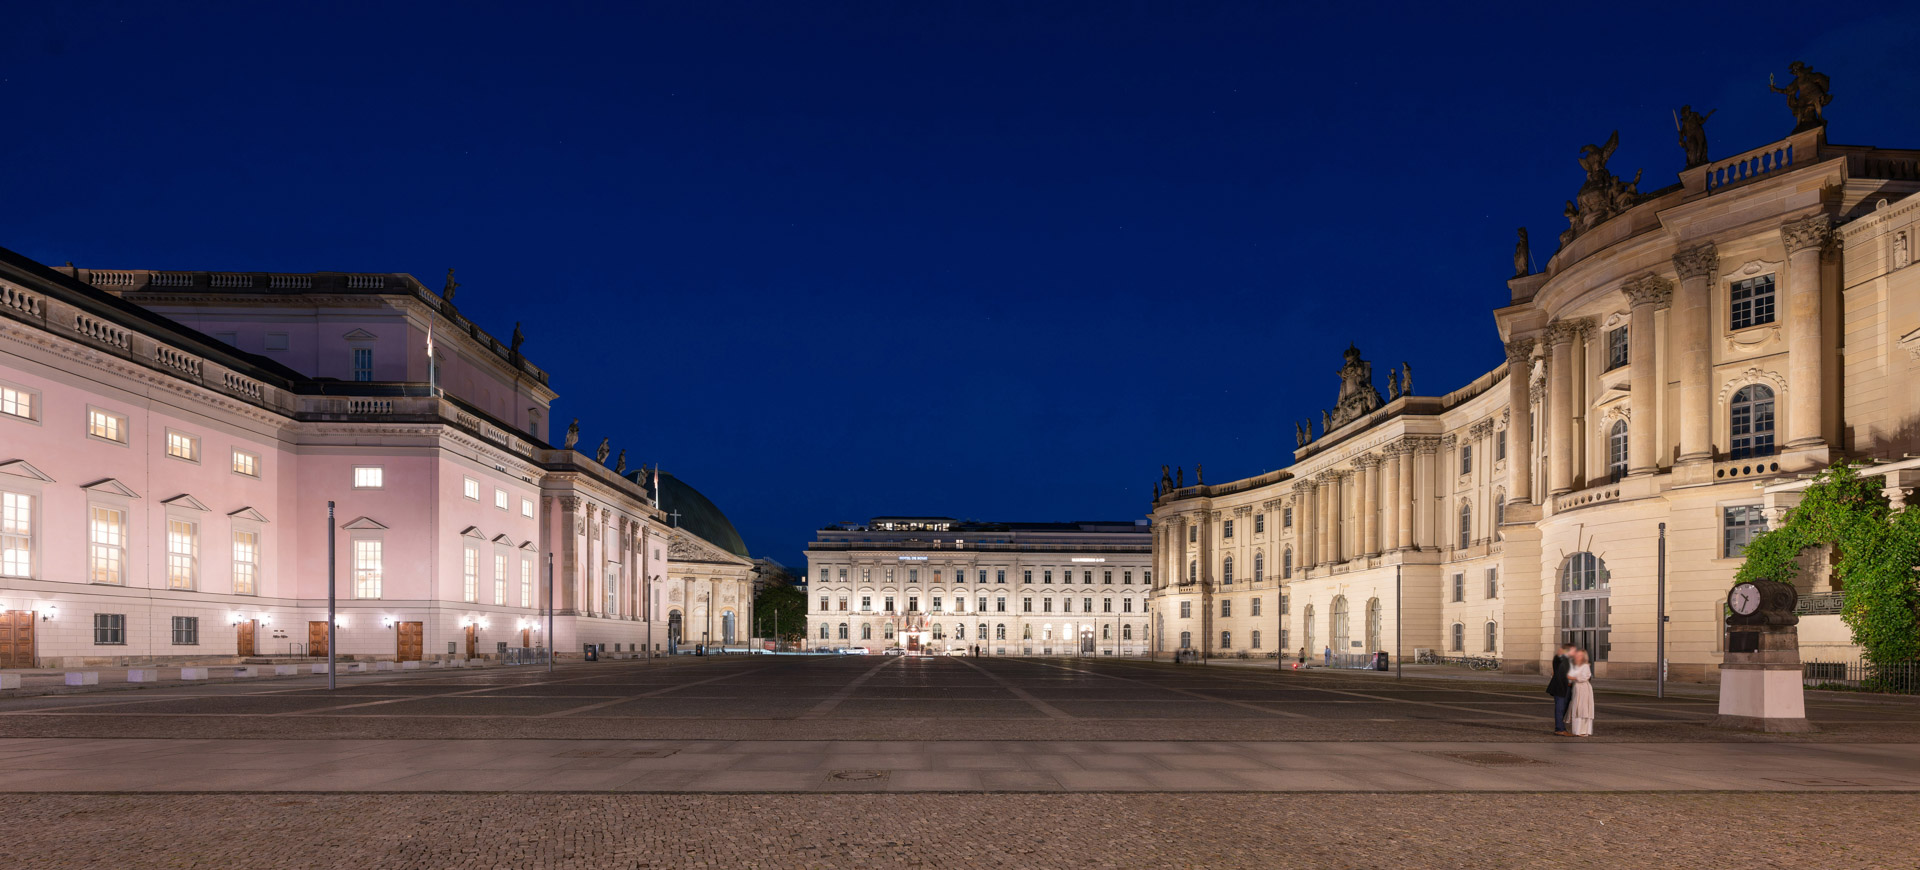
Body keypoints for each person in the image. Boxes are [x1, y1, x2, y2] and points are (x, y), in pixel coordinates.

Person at [1546, 643, 1574, 736]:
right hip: (1561, 687)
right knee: (1560, 708)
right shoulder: (1562, 659)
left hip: (1566, 687)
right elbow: (1557, 663)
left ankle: (1560, 728)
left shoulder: (1568, 660)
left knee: (1563, 708)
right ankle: (1560, 729)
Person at [1568, 649, 1595, 737]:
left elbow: (1584, 677)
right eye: (1577, 655)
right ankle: (1576, 730)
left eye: (1580, 655)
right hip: (1576, 688)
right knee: (1576, 708)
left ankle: (1583, 730)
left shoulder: (1585, 666)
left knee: (1583, 708)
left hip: (1584, 688)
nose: (1577, 657)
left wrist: (1572, 677)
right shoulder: (1574, 665)